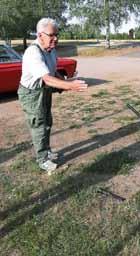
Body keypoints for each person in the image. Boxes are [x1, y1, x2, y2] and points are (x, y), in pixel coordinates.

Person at [18, 18, 88, 175]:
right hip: (31, 93)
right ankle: (42, 159)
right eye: (52, 35)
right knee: (39, 125)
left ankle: (47, 151)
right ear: (40, 35)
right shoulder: (33, 53)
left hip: (44, 90)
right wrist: (71, 86)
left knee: (48, 121)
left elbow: (52, 71)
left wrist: (66, 82)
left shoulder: (51, 50)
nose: (55, 39)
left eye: (57, 35)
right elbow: (47, 78)